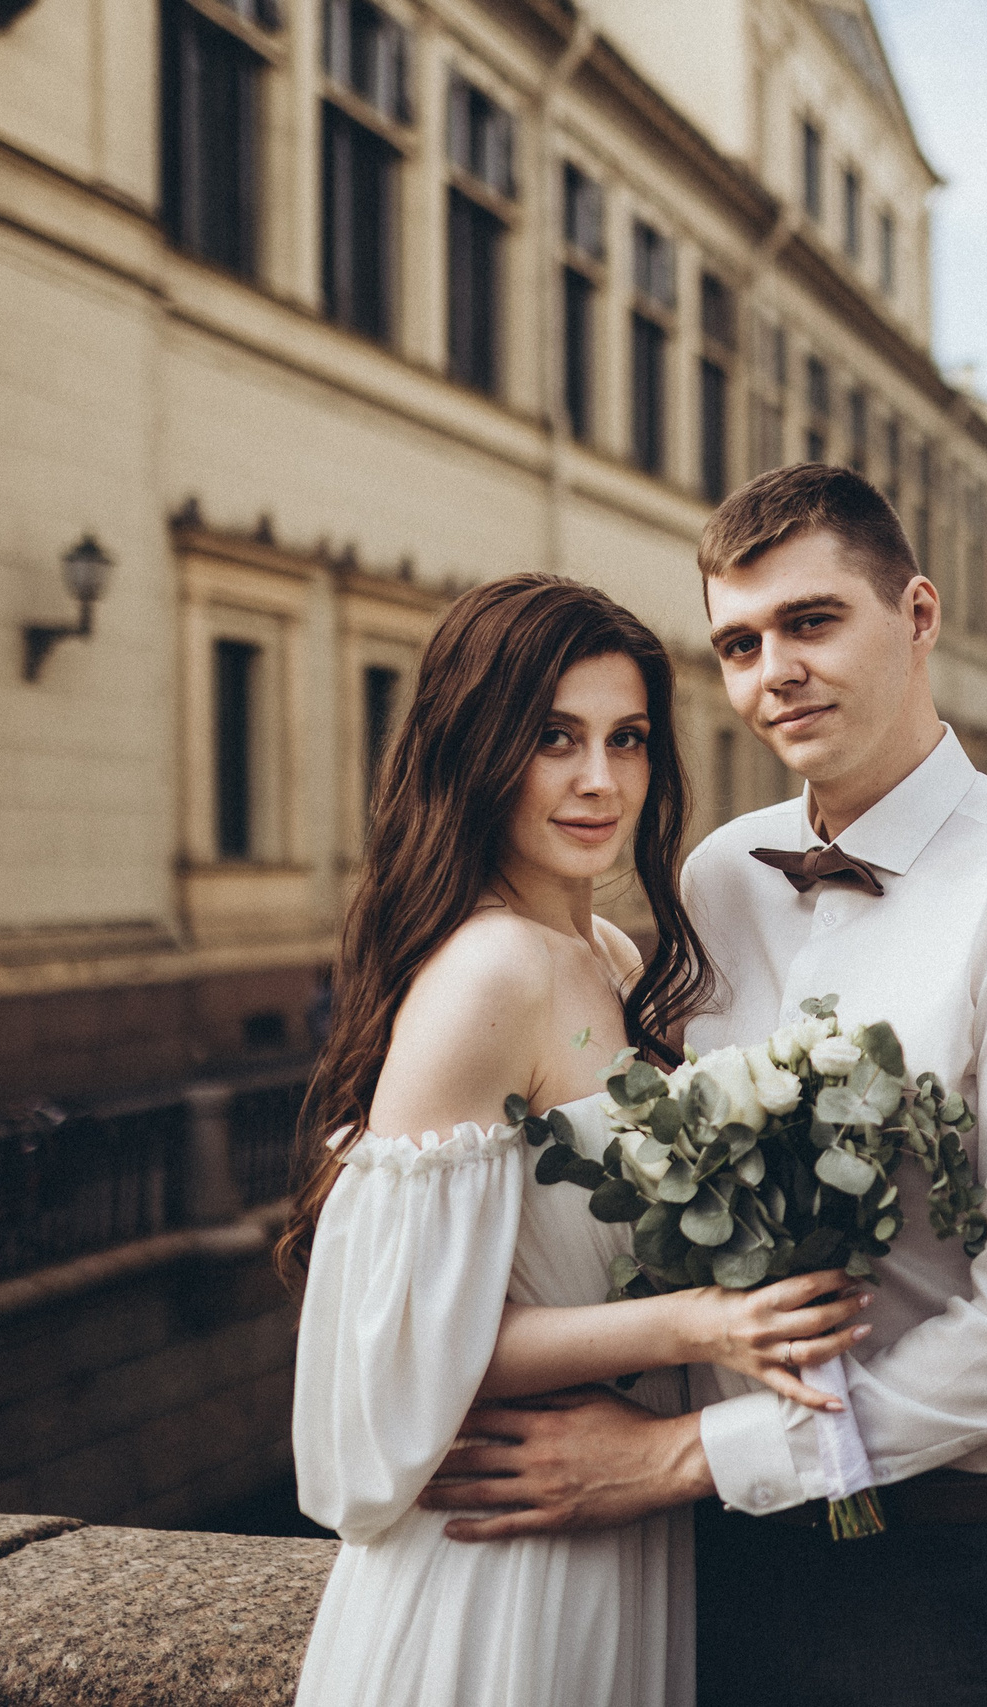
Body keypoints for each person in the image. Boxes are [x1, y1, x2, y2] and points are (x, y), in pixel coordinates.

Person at [421, 468, 987, 1707]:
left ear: (916, 615)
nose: (776, 671)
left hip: (958, 1577)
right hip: (719, 1563)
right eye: (739, 642)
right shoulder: (717, 876)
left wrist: (676, 1456)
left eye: (813, 622)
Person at [281, 573, 869, 1707]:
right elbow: (401, 1352)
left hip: (617, 1525)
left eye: (628, 738)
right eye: (555, 738)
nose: (602, 781)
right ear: (476, 751)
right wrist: (708, 1321)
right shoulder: (488, 973)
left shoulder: (607, 952)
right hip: (500, 1565)